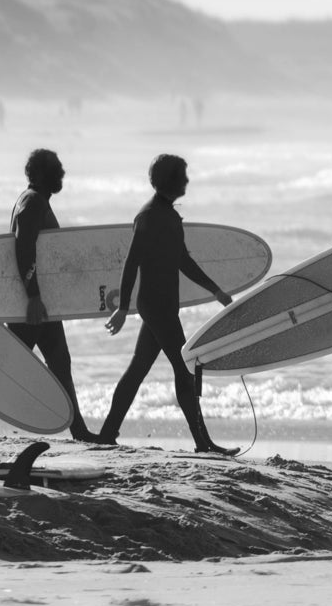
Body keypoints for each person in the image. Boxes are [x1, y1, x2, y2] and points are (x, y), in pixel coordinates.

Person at [95, 154, 235, 453]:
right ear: (171, 180)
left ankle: (107, 433)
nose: (186, 180)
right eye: (182, 175)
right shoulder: (149, 217)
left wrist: (216, 291)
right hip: (156, 306)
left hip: (163, 306)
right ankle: (202, 442)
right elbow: (132, 262)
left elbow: (183, 260)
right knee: (185, 369)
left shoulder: (168, 215)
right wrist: (122, 307)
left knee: (137, 370)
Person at [0, 149, 100, 442]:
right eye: (56, 169)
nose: (62, 173)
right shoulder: (33, 202)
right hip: (32, 303)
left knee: (26, 364)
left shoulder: (34, 201)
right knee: (43, 363)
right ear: (39, 174)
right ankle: (77, 430)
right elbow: (23, 247)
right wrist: (34, 296)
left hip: (33, 301)